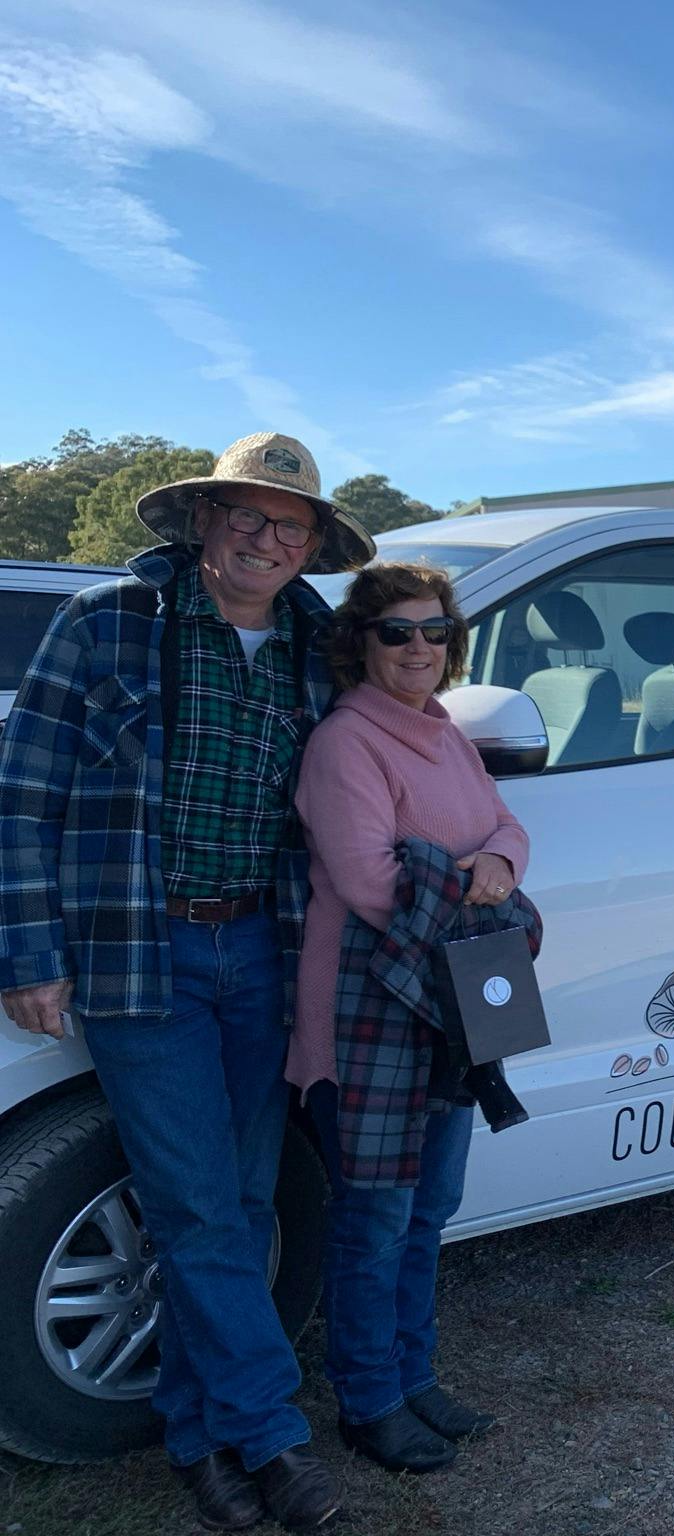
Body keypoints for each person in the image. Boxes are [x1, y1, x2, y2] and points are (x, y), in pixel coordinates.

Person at [0, 433, 373, 1532]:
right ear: (203, 521)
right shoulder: (110, 623)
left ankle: (199, 1440)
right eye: (247, 516)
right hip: (136, 952)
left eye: (289, 525)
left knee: (243, 1202)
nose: (266, 539)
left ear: (310, 548)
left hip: (265, 954)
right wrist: (27, 953)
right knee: (200, 1205)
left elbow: (381, 764)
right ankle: (272, 1438)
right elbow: (22, 795)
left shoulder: (319, 647)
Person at [291, 562, 531, 1467]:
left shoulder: (445, 734)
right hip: (369, 1018)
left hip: (446, 1010)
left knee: (430, 1210)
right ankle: (369, 1398)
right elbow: (366, 881)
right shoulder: (347, 743)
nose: (419, 648)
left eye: (435, 632)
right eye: (397, 632)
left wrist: (493, 866)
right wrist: (474, 876)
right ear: (362, 641)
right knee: (374, 1222)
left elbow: (506, 828)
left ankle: (415, 1375)